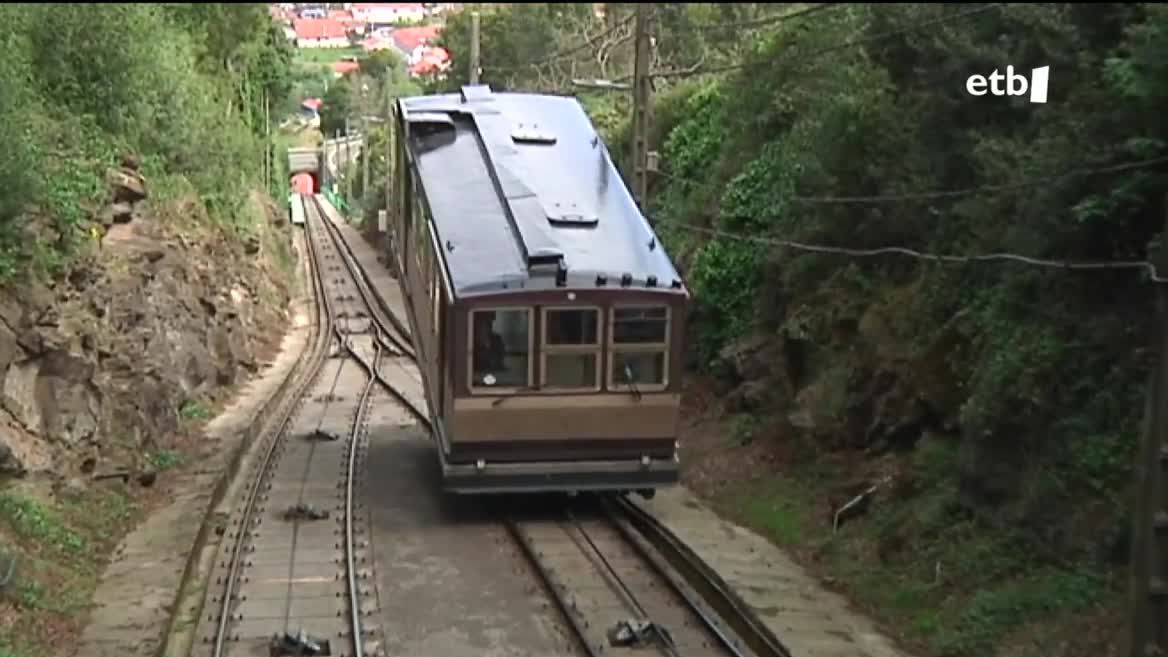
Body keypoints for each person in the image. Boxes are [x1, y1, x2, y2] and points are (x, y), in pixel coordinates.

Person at [473, 313, 506, 379]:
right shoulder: (469, 339)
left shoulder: (496, 339)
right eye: (481, 324)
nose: (484, 327)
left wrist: (486, 344)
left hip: (495, 374)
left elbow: (498, 360)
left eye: (488, 324)